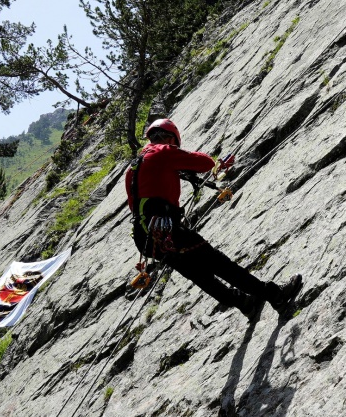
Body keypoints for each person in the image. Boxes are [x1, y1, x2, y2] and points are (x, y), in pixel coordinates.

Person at [124, 118, 301, 319]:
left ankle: (245, 303)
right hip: (167, 231)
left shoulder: (133, 167)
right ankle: (275, 295)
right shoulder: (163, 151)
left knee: (199, 275)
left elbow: (137, 202)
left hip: (146, 238)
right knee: (219, 264)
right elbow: (206, 163)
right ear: (169, 137)